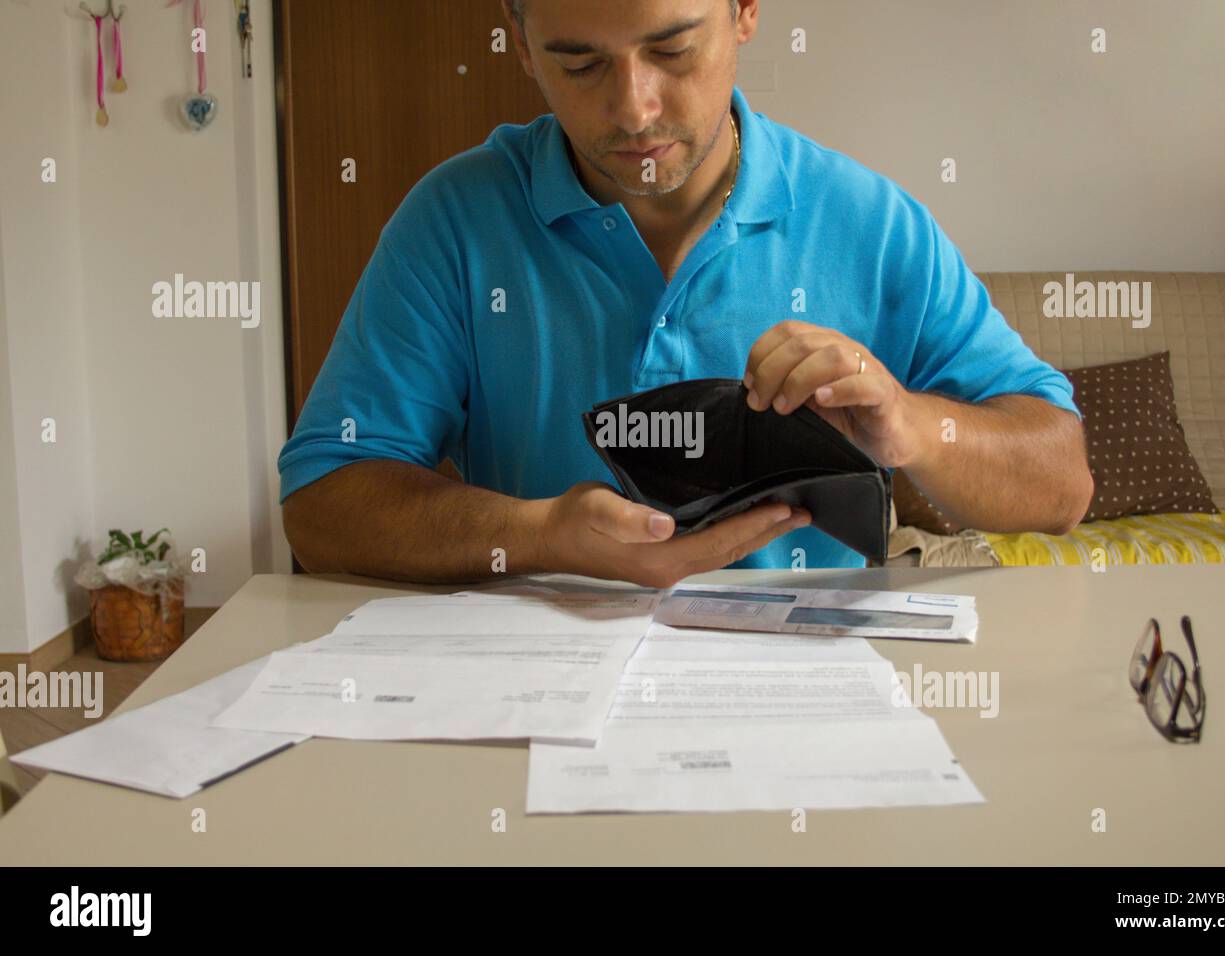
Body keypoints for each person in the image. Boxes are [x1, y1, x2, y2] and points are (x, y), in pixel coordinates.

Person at [280, 0, 1093, 588]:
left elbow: (1061, 481)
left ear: (744, 11)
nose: (634, 109)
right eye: (580, 62)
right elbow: (321, 505)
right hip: (542, 706)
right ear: (521, 43)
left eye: (671, 50)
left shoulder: (870, 222)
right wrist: (541, 535)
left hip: (809, 705)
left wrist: (911, 423)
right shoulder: (455, 220)